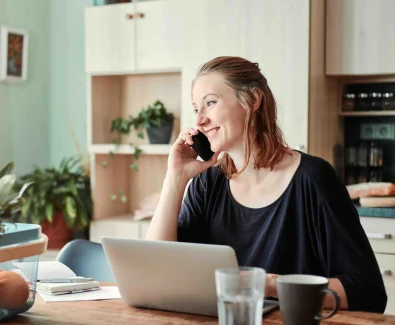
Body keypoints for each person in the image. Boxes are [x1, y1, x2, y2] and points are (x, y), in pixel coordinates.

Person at [145, 56, 387, 313]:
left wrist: (270, 284)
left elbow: (367, 292)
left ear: (252, 101)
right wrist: (176, 177)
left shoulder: (314, 179)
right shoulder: (207, 184)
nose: (200, 120)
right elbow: (155, 272)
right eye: (196, 109)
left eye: (211, 103)